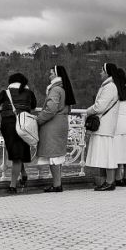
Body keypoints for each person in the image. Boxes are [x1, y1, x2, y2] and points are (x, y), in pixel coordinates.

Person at [0, 73, 37, 194]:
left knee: (15, 154)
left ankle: (13, 185)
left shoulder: (6, 93)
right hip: (24, 125)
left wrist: (3, 109)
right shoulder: (29, 93)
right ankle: (23, 173)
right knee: (18, 153)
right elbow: (34, 106)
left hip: (9, 124)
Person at [36, 65, 76, 193]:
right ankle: (57, 184)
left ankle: (57, 185)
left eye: (51, 73)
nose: (49, 75)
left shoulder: (55, 89)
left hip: (52, 125)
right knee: (58, 155)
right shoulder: (65, 89)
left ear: (57, 75)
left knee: (53, 156)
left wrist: (38, 120)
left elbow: (50, 109)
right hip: (62, 123)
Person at [85, 63, 120, 191]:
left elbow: (100, 106)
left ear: (107, 73)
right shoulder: (110, 86)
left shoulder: (109, 87)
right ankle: (108, 181)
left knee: (107, 154)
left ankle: (110, 181)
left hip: (104, 125)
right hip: (105, 125)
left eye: (102, 71)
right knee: (106, 154)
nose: (100, 73)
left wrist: (88, 110)